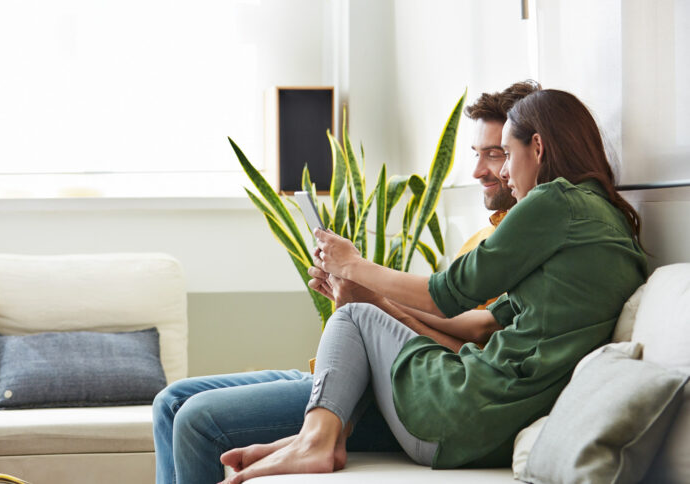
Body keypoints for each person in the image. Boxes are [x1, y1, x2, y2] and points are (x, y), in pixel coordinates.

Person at [219, 89, 648, 484]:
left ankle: (314, 441)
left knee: (352, 317)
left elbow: (446, 295)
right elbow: (480, 325)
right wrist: (374, 297)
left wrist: (353, 265)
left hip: (467, 413)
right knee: (362, 310)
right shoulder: (606, 222)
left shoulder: (555, 201)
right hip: (497, 425)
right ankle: (316, 439)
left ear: (537, 147)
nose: (503, 172)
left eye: (505, 155)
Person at [151, 80, 540, 484]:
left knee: (196, 419)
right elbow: (441, 322)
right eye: (478, 154)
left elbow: (463, 359)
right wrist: (358, 298)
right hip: (357, 367)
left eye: (496, 154)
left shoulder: (522, 252)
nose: (479, 170)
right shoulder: (483, 240)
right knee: (169, 401)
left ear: (533, 151)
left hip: (401, 388)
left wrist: (371, 302)